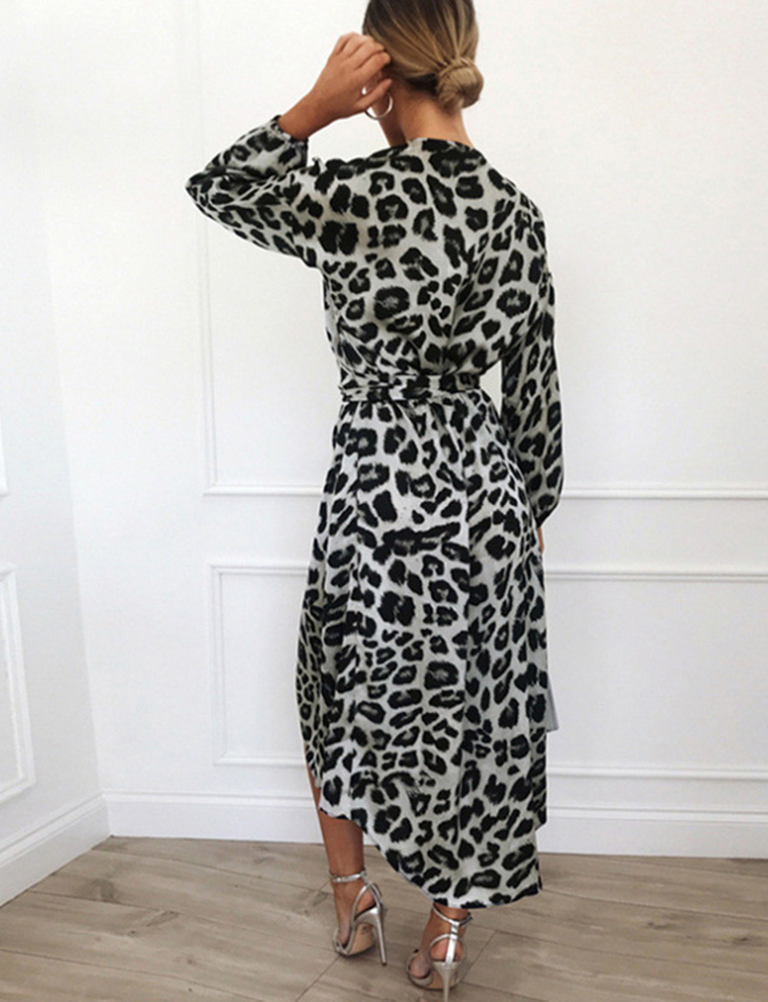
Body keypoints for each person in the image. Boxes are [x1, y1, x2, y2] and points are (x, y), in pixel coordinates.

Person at [185, 1, 563, 996]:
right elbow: (535, 390)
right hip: (486, 496)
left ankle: (354, 902)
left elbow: (220, 188)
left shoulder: (355, 198)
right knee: (478, 709)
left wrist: (312, 110)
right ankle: (447, 931)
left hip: (375, 488)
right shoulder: (516, 213)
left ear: (380, 72)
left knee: (336, 690)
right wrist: (527, 516)